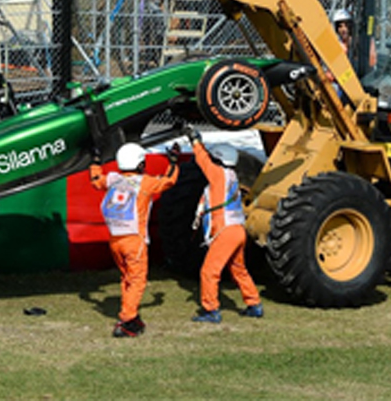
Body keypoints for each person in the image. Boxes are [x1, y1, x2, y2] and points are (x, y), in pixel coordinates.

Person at [89, 141, 178, 338]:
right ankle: (127, 320)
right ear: (140, 164)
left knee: (127, 278)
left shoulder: (113, 180)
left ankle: (131, 313)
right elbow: (169, 180)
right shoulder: (144, 182)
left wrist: (95, 161)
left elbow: (96, 179)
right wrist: (173, 161)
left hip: (115, 240)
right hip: (134, 240)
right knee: (137, 280)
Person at [187, 131, 263, 323]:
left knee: (209, 271)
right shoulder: (232, 176)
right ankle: (254, 303)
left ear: (219, 159)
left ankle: (211, 310)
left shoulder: (218, 175)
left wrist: (195, 141)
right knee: (239, 269)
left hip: (225, 230)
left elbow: (203, 161)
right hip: (238, 229)